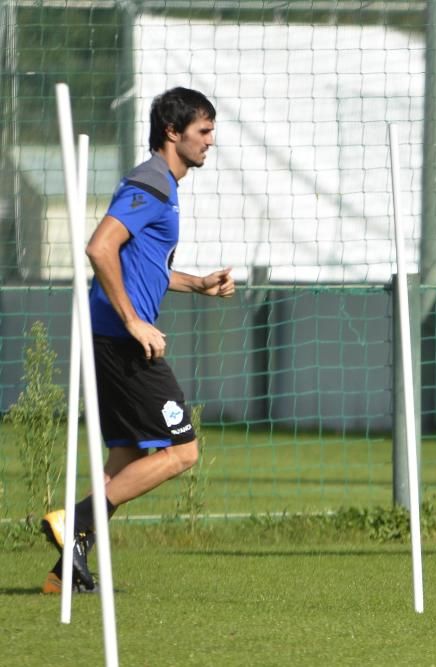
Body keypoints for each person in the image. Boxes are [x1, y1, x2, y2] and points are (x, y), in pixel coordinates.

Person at [40, 87, 235, 592]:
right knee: (183, 451)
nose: (211, 141)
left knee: (127, 457)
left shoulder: (164, 187)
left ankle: (65, 574)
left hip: (111, 337)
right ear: (173, 132)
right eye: (204, 131)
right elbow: (100, 248)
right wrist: (132, 321)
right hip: (119, 340)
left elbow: (140, 264)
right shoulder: (150, 182)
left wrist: (197, 284)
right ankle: (76, 520)